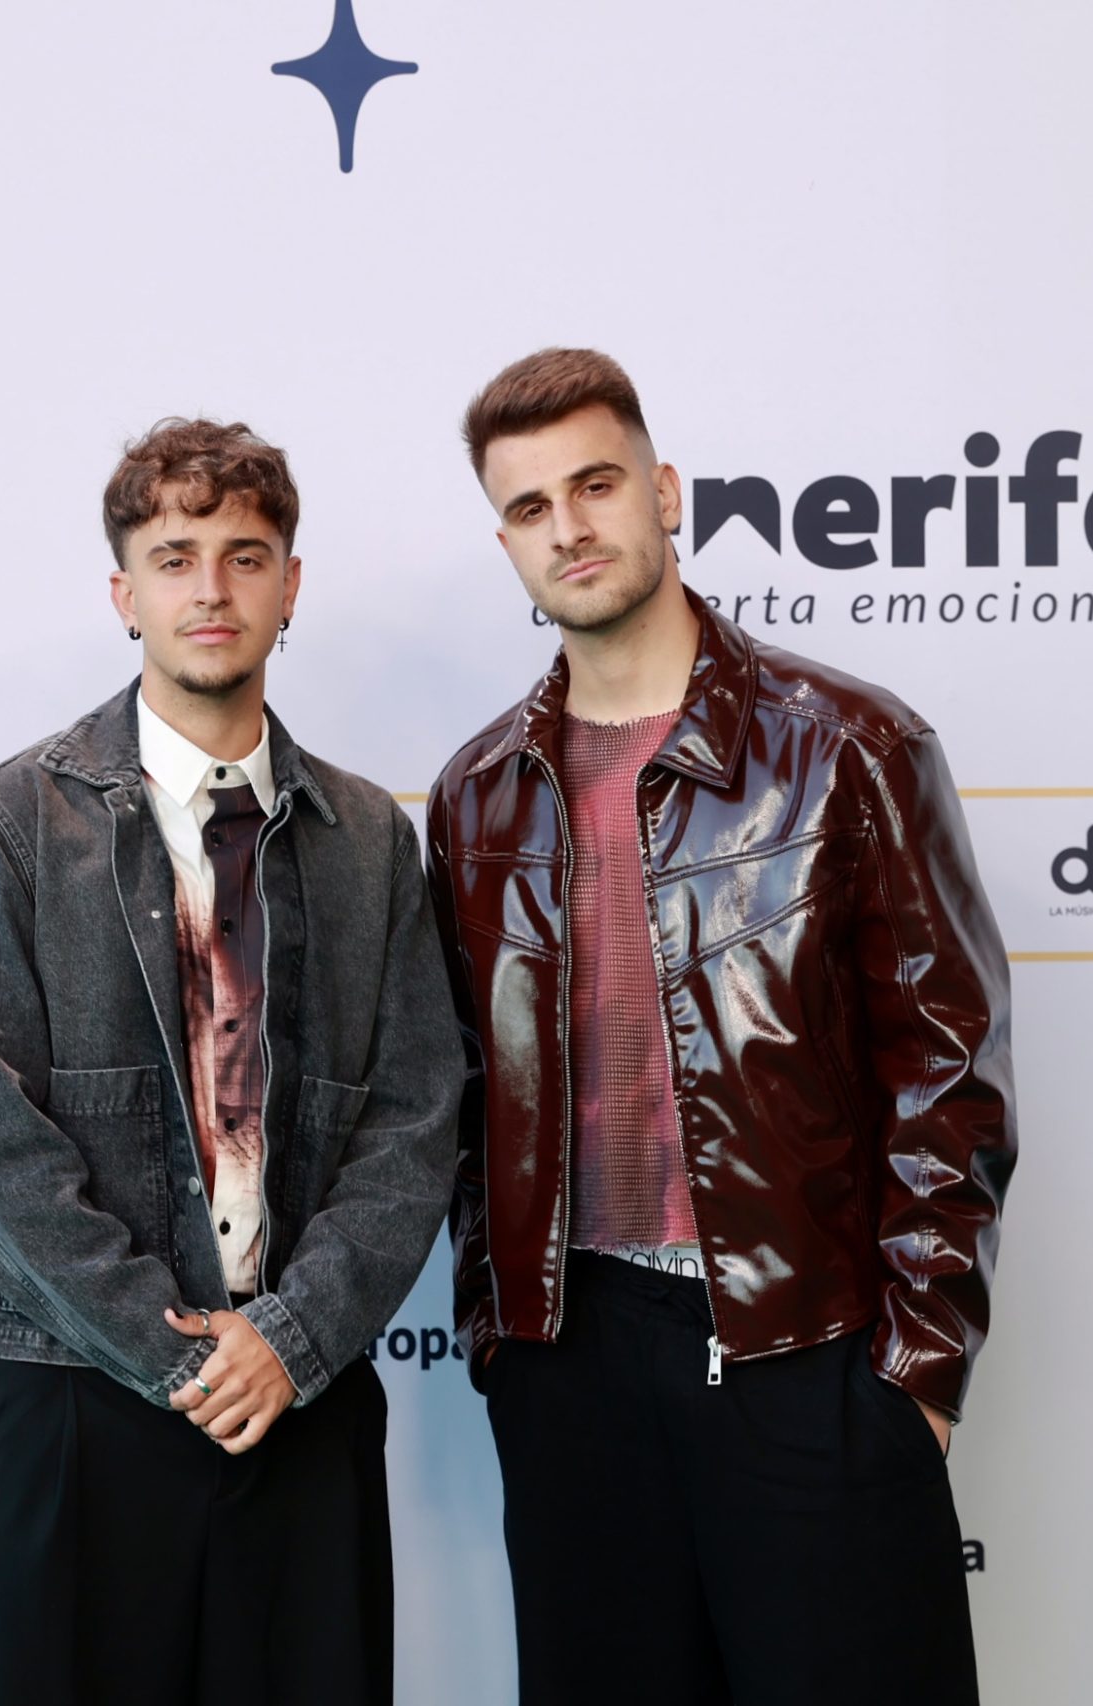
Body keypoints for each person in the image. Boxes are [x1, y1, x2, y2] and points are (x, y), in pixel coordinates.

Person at [427, 349, 1016, 1704]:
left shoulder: (848, 745)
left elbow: (953, 1066)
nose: (569, 526)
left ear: (665, 490)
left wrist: (912, 1375)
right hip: (570, 1364)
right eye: (529, 506)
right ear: (507, 541)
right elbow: (465, 1089)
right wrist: (497, 1333)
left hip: (805, 1351)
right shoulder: (476, 796)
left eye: (595, 482)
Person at [0, 417, 461, 1706]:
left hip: (297, 1408)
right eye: (174, 557)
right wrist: (172, 1354)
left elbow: (415, 1121)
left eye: (245, 555)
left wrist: (291, 1336)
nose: (211, 589)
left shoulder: (371, 839)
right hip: (65, 1403)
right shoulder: (5, 824)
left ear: (290, 583)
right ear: (125, 594)